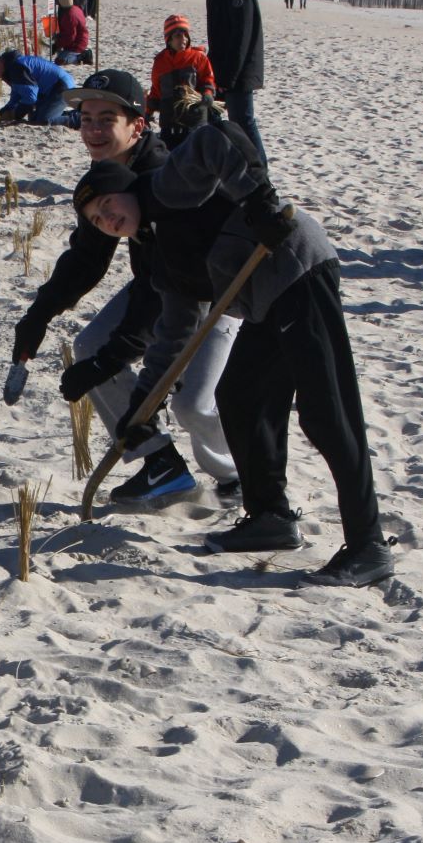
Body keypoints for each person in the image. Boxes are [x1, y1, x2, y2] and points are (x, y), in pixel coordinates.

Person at [70, 128, 395, 585]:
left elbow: (211, 140)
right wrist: (144, 404)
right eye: (97, 220)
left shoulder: (165, 186)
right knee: (240, 396)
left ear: (126, 188)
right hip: (262, 299)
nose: (106, 218)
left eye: (108, 205)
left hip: (295, 265)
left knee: (327, 411)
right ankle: (271, 517)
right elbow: (175, 330)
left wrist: (259, 200)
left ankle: (369, 545)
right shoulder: (158, 253)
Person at [10, 69, 240, 507]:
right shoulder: (106, 177)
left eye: (106, 118)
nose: (93, 129)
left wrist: (115, 357)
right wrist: (38, 315)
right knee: (91, 344)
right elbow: (87, 258)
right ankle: (160, 463)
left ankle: (237, 476)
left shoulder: (164, 175)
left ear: (137, 124)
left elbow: (172, 289)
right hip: (160, 287)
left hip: (216, 294)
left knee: (194, 405)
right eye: (86, 118)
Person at [193, 0, 268, 166]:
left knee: (243, 120)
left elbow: (241, 37)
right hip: (223, 67)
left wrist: (230, 76)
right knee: (221, 120)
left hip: (240, 69)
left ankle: (260, 173)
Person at [148, 15, 216, 148]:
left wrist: (208, 93)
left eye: (185, 35)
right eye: (178, 36)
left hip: (194, 120)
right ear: (169, 39)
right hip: (169, 121)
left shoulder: (197, 58)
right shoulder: (161, 62)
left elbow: (208, 79)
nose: (183, 39)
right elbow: (156, 89)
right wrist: (149, 109)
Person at [0, 49, 76, 126]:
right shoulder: (11, 70)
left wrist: (16, 115)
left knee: (43, 121)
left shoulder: (16, 68)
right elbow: (15, 99)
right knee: (33, 118)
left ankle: (78, 119)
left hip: (62, 86)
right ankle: (59, 113)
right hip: (50, 90)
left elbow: (30, 98)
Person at [54, 0, 91, 64]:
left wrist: (57, 44)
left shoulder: (70, 16)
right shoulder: (76, 9)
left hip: (77, 45)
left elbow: (70, 37)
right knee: (60, 55)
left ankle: (82, 57)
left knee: (60, 60)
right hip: (82, 40)